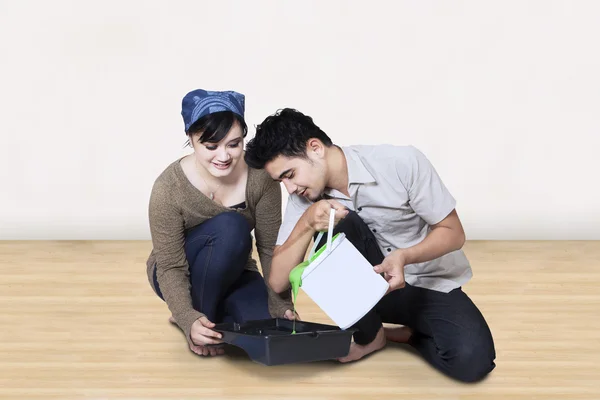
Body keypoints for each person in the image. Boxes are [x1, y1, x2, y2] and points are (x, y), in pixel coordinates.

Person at [244, 108, 496, 382]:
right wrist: (306, 223)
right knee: (338, 222)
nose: (290, 188)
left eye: (290, 174)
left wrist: (404, 257)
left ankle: (405, 335)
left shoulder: (400, 163)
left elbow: (453, 233)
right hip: (366, 298)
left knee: (472, 363)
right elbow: (279, 282)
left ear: (315, 148)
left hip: (428, 286)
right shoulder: (303, 199)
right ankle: (371, 335)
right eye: (282, 181)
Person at [146, 89, 294, 357]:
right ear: (191, 139)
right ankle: (198, 319)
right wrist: (187, 316)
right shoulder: (168, 188)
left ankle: (208, 318)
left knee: (265, 328)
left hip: (234, 270)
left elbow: (270, 249)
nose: (223, 156)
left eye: (234, 144)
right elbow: (170, 266)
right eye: (211, 146)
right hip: (177, 271)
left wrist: (280, 303)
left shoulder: (261, 178)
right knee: (231, 226)